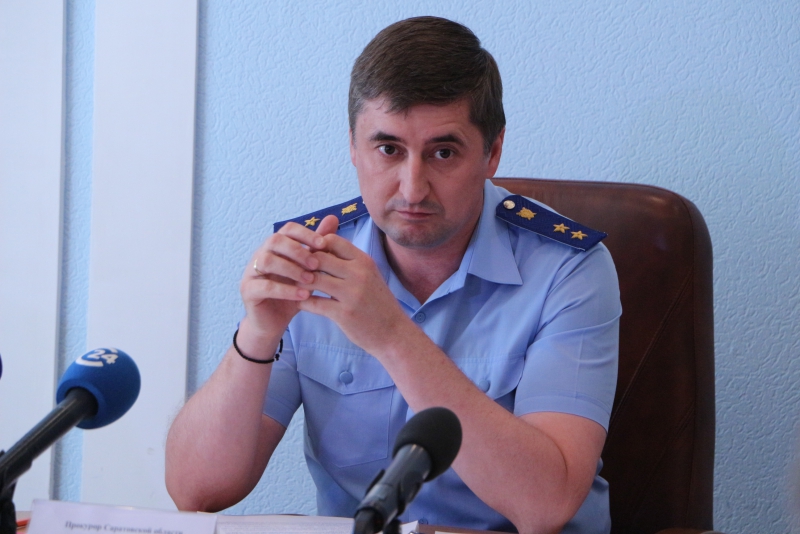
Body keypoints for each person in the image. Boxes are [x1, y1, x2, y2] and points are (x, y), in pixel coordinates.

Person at [165, 16, 620, 534]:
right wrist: (257, 334)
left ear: (492, 152)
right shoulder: (312, 258)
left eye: (443, 153)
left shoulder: (568, 270)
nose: (412, 188)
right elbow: (195, 491)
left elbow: (545, 506)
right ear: (353, 148)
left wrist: (391, 334)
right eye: (388, 150)